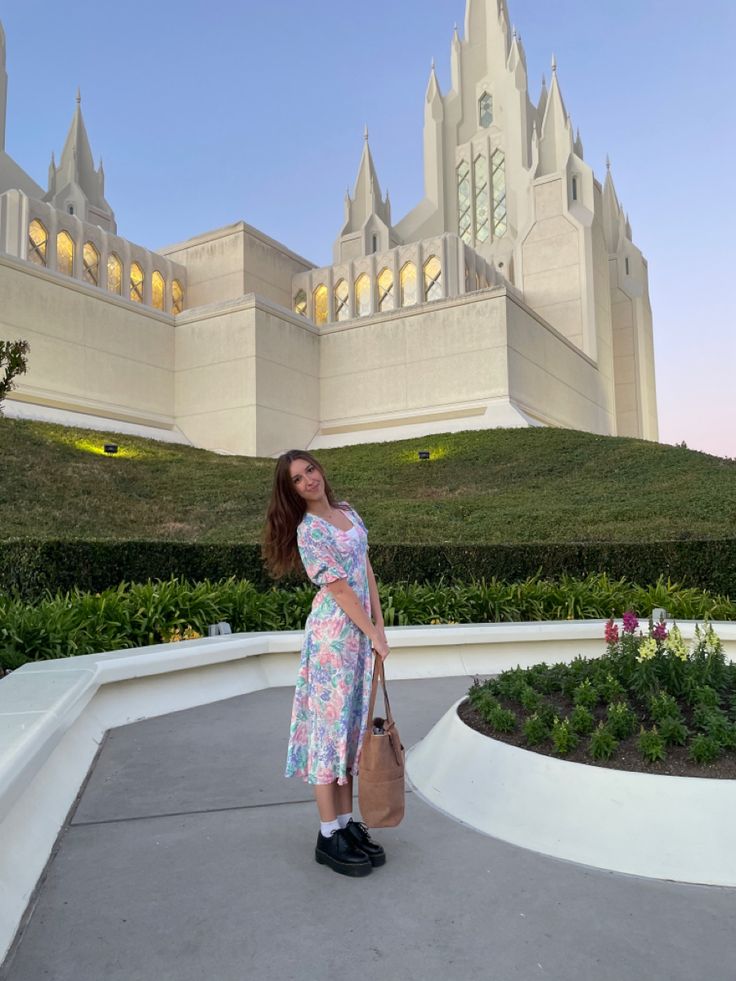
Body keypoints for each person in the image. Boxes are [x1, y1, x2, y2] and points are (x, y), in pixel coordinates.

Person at [262, 449, 390, 877]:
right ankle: (327, 834)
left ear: (320, 470)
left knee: (351, 731)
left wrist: (380, 626)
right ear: (291, 491)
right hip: (333, 638)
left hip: (360, 636)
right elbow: (338, 590)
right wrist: (370, 632)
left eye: (310, 470)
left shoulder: (348, 512)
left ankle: (347, 823)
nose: (308, 480)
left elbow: (366, 569)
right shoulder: (309, 531)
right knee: (328, 733)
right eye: (297, 479)